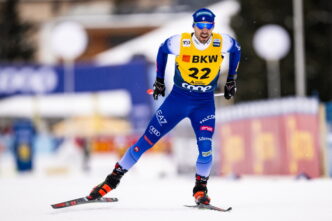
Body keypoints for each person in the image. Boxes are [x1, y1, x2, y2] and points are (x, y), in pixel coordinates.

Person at [87, 8, 241, 205]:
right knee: (145, 141)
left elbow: (236, 49)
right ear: (193, 26)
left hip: (203, 105)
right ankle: (110, 182)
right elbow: (162, 50)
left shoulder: (222, 41)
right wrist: (159, 81)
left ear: (212, 27)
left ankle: (200, 190)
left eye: (208, 26)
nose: (204, 30)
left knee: (206, 148)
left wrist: (231, 80)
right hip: (178, 101)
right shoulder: (180, 42)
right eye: (200, 26)